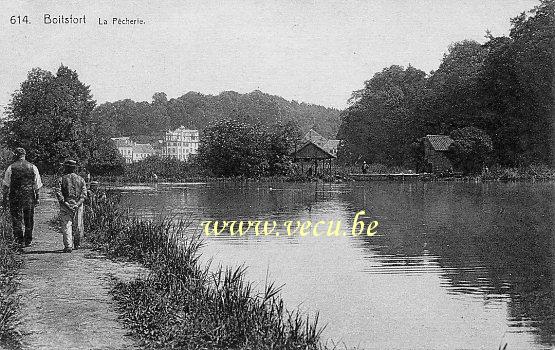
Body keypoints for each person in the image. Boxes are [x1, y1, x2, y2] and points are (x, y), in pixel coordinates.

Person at [1, 147, 42, 248]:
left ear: (16, 155)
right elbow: (37, 185)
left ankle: (19, 241)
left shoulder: (11, 167)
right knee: (29, 219)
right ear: (24, 155)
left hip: (15, 197)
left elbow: (6, 185)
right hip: (29, 196)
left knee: (16, 218)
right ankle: (28, 240)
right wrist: (37, 197)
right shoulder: (33, 167)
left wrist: (4, 198)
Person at [55, 159, 87, 252]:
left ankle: (68, 246)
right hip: (78, 205)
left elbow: (59, 193)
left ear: (66, 168)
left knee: (66, 225)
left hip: (66, 205)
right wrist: (77, 204)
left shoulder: (61, 179)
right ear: (75, 169)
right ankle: (77, 244)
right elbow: (83, 195)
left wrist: (66, 204)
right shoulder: (81, 179)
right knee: (78, 225)